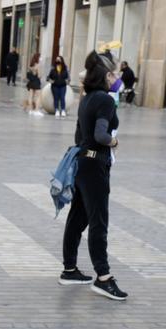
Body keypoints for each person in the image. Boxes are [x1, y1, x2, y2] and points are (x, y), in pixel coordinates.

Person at [60, 50, 126, 301]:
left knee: (78, 217)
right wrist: (114, 141)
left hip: (81, 163)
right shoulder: (106, 100)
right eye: (116, 73)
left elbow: (80, 136)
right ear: (108, 75)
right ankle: (103, 277)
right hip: (95, 165)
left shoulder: (87, 98)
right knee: (99, 221)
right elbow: (100, 135)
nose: (117, 77)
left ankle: (69, 269)